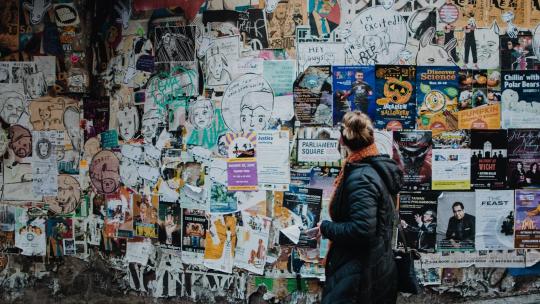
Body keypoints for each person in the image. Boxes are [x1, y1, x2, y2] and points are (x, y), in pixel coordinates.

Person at [315, 111, 401, 304]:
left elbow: (362, 230)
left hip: (359, 277)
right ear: (371, 138)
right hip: (370, 268)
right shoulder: (372, 168)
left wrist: (325, 227)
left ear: (342, 140)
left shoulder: (361, 177)